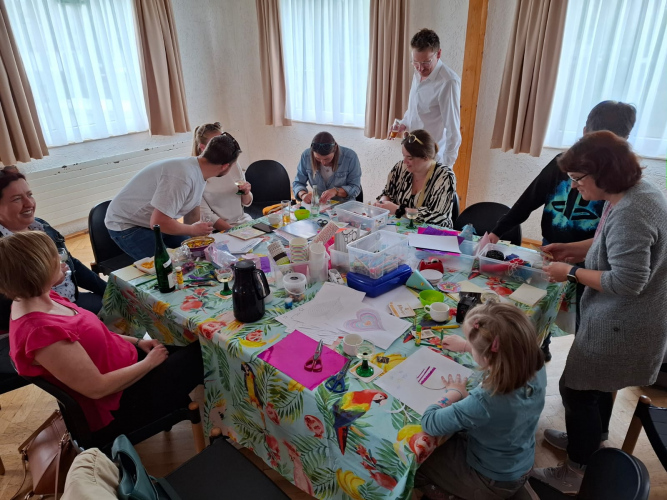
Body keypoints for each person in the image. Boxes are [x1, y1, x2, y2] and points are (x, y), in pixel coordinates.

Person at [531, 131, 667, 494]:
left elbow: (627, 281)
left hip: (625, 322)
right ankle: (589, 441)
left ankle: (577, 470)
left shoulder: (633, 211)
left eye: (577, 179)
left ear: (603, 173)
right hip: (623, 317)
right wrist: (571, 249)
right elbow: (607, 240)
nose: (574, 187)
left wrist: (571, 272)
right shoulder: (629, 193)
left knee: (576, 388)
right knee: (596, 386)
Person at [1, 231, 204, 446]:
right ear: (38, 270)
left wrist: (137, 342)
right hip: (121, 403)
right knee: (203, 353)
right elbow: (97, 388)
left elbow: (94, 333)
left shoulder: (40, 297)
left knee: (191, 341)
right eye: (55, 257)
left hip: (129, 367)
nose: (62, 260)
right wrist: (150, 363)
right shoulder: (41, 332)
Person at [488, 101, 637, 360]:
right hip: (555, 248)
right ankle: (541, 346)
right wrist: (496, 232)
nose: (576, 184)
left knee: (584, 313)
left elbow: (621, 270)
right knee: (544, 301)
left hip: (593, 261)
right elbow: (527, 201)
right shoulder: (563, 164)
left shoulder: (623, 191)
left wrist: (575, 264)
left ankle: (582, 352)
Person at [416, 302, 546, 499]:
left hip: (489, 479)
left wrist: (454, 392)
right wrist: (468, 346)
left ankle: (452, 494)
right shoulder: (535, 363)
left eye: (472, 342)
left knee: (419, 461)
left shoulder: (486, 399)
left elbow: (430, 422)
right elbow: (505, 350)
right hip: (519, 461)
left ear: (487, 354)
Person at [0, 166, 106, 332]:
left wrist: (109, 291)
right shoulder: (4, 250)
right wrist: (45, 283)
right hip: (42, 321)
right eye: (17, 199)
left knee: (117, 306)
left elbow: (72, 264)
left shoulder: (41, 226)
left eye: (29, 195)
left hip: (71, 302)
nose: (29, 203)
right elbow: (8, 303)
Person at [105, 133, 242, 260]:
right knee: (168, 266)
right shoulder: (183, 176)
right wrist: (192, 230)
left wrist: (197, 235)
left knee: (191, 257)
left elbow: (193, 214)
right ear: (225, 166)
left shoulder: (200, 171)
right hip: (128, 225)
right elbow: (158, 222)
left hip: (156, 222)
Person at [390, 28, 461, 167]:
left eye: (426, 62)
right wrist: (404, 123)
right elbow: (415, 108)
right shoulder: (418, 73)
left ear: (438, 54)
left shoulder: (448, 82)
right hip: (412, 152)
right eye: (415, 62)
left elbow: (453, 133)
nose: (420, 68)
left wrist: (445, 169)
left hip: (432, 160)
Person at [374, 129, 456, 227]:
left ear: (426, 157)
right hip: (402, 228)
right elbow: (388, 193)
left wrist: (399, 210)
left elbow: (437, 217)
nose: (404, 161)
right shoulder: (400, 168)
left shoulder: (444, 176)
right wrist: (382, 203)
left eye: (410, 158)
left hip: (433, 232)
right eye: (403, 156)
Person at [192, 122, 253, 231]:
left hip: (243, 221)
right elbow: (207, 216)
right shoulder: (195, 175)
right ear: (202, 148)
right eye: (217, 145)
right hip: (217, 230)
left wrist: (246, 192)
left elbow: (246, 202)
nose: (224, 149)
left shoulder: (233, 164)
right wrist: (234, 232)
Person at [293, 131, 362, 204]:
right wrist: (303, 195)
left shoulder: (350, 157)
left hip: (344, 205)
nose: (323, 163)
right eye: (317, 158)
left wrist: (336, 191)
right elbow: (298, 183)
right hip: (319, 205)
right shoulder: (306, 156)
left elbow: (355, 188)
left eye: (327, 159)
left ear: (335, 149)